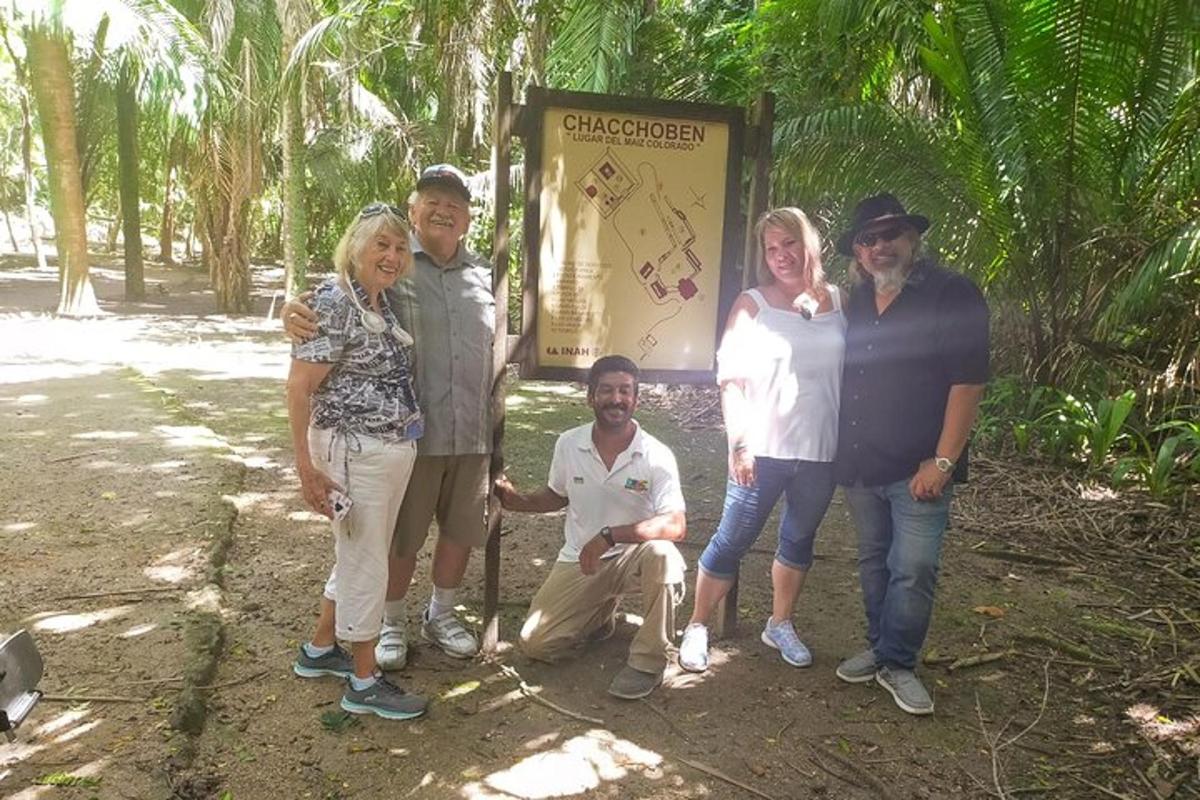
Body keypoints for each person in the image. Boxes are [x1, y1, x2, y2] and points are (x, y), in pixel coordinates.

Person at [284, 164, 494, 669]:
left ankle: (441, 615)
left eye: (455, 204)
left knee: (462, 529)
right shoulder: (395, 264)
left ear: (467, 218)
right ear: (414, 210)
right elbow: (338, 302)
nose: (444, 210)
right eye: (433, 201)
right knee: (399, 536)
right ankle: (391, 621)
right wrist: (292, 310)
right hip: (408, 435)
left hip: (473, 431)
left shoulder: (488, 274)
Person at [832, 193, 989, 716]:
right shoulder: (852, 302)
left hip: (920, 466)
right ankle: (881, 650)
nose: (880, 246)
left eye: (890, 234)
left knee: (914, 567)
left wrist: (942, 462)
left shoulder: (952, 293)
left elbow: (968, 383)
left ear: (912, 238)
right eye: (868, 238)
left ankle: (898, 662)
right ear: (857, 252)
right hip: (858, 462)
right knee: (875, 560)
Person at [677, 208, 845, 674]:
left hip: (820, 451)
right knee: (733, 539)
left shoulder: (839, 300)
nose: (781, 256)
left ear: (808, 243)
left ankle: (780, 623)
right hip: (763, 449)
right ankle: (697, 625)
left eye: (788, 244)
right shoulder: (753, 304)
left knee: (798, 540)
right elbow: (730, 379)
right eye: (771, 249)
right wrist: (740, 443)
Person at [288, 204, 427, 720]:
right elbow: (299, 386)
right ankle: (364, 681)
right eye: (380, 245)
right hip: (353, 449)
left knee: (357, 551)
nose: (391, 256)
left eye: (398, 247)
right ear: (355, 247)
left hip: (383, 450)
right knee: (368, 559)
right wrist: (305, 468)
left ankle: (322, 650)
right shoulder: (334, 301)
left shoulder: (377, 300)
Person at [493, 355, 688, 700]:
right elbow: (557, 496)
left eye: (625, 391)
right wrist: (516, 500)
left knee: (663, 552)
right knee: (536, 643)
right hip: (582, 560)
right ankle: (599, 616)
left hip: (634, 559)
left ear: (636, 399)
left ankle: (648, 661)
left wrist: (610, 536)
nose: (617, 399)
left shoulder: (656, 454)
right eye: (607, 390)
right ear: (590, 397)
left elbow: (675, 524)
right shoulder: (569, 443)